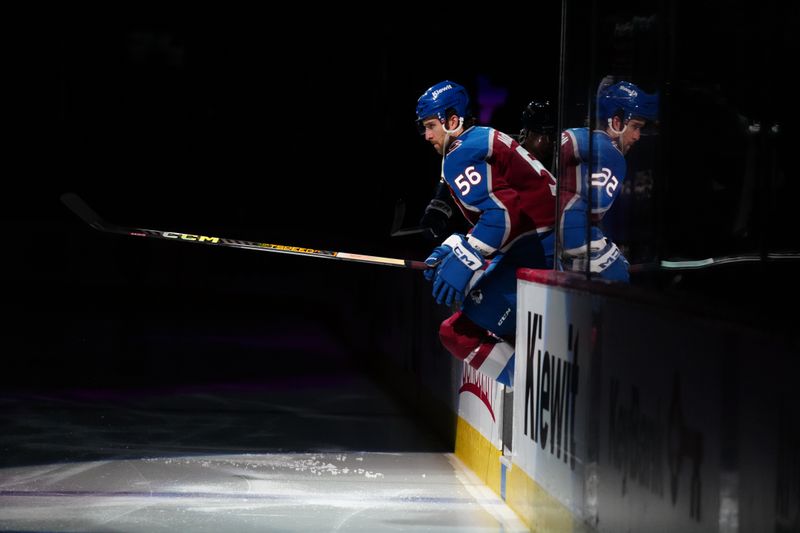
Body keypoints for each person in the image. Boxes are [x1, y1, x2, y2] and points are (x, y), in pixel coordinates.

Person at [415, 80, 557, 386]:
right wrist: (456, 244)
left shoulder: (459, 154)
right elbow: (502, 208)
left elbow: (504, 215)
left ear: (452, 121)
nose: (426, 135)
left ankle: (531, 391)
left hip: (541, 248)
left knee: (455, 333)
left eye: (430, 125)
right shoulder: (479, 140)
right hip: (545, 242)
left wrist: (467, 255)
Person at [559, 80, 658, 282]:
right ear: (616, 122)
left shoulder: (575, 136)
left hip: (554, 245)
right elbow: (594, 211)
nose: (638, 136)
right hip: (574, 238)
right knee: (620, 277)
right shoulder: (611, 155)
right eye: (635, 127)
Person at [418, 97, 557, 240]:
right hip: (508, 230)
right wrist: (437, 210)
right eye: (545, 134)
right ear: (525, 133)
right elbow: (451, 184)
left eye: (554, 135)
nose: (551, 141)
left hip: (535, 232)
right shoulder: (490, 150)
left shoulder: (562, 157)